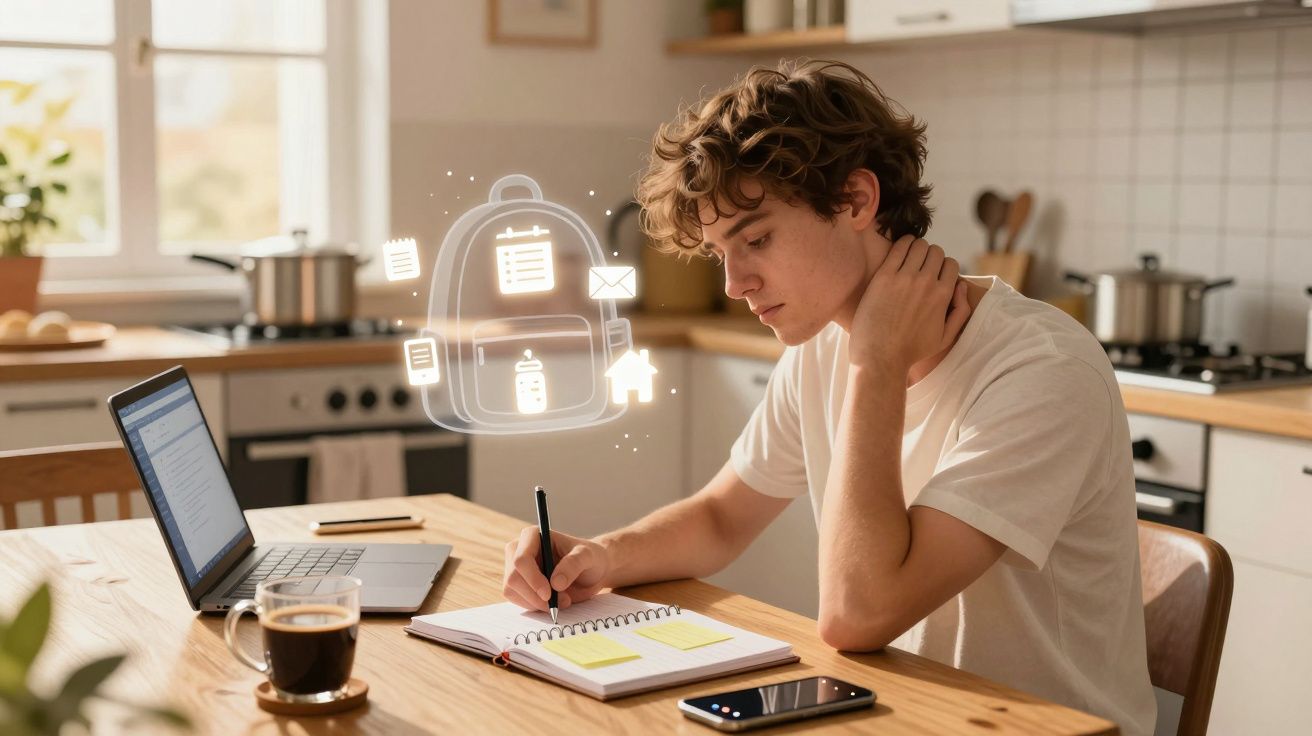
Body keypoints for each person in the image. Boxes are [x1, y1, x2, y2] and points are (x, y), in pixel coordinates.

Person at [500, 60, 1155, 734]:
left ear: (856, 201)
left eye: (756, 239)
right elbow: (725, 517)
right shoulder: (820, 342)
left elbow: (856, 615)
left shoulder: (1041, 370)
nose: (734, 283)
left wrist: (876, 361)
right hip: (901, 715)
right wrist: (601, 558)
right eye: (722, 252)